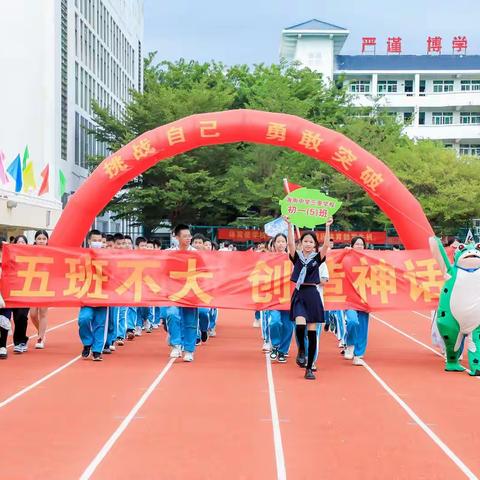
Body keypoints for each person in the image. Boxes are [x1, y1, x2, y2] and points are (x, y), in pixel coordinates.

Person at [285, 216, 333, 380]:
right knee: (299, 324)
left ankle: (309, 368)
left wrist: (327, 227)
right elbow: (290, 244)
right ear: (301, 243)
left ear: (314, 245)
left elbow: (326, 245)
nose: (307, 244)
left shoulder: (317, 259)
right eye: (305, 241)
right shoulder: (296, 257)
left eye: (311, 242)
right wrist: (290, 224)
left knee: (312, 333)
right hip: (299, 294)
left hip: (313, 295)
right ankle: (301, 351)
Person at [166, 224, 199, 362]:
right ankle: (176, 344)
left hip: (191, 291)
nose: (188, 238)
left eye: (189, 236)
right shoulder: (169, 253)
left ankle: (189, 350)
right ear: (177, 237)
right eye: (185, 236)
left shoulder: (197, 253)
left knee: (190, 321)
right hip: (174, 291)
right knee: (172, 315)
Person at [78, 230, 108, 361]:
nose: (97, 243)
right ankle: (87, 343)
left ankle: (97, 351)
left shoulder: (107, 256)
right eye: (94, 240)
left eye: (100, 241)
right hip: (87, 295)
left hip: (103, 295)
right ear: (89, 241)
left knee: (100, 324)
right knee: (83, 319)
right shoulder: (82, 256)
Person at [343, 236, 370, 366]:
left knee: (363, 327)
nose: (359, 246)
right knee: (353, 321)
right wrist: (343, 252)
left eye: (361, 244)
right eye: (357, 244)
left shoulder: (368, 260)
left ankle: (358, 354)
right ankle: (349, 344)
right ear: (352, 246)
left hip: (364, 298)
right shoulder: (346, 258)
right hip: (349, 298)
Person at [268, 233, 294, 363]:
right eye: (278, 241)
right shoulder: (268, 259)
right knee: (275, 322)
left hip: (289, 297)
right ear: (274, 244)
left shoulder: (292, 258)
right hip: (274, 297)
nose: (280, 244)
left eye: (283, 241)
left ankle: (283, 351)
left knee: (288, 326)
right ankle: (275, 345)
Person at [29, 230, 50, 349]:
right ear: (35, 240)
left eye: (44, 239)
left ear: (47, 241)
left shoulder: (51, 252)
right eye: (39, 238)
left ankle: (40, 337)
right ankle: (41, 332)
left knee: (43, 312)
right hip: (32, 286)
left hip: (46, 285)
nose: (41, 241)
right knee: (32, 314)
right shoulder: (30, 252)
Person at [11, 235, 30, 354]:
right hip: (11, 292)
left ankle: (20, 341)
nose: (21, 243)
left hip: (26, 291)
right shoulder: (10, 256)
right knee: (15, 317)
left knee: (22, 316)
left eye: (23, 242)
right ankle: (20, 340)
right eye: (19, 242)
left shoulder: (30, 256)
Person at [0, 237, 13, 359]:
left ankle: (2, 346)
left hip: (6, 294)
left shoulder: (7, 256)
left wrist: (10, 247)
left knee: (4, 318)